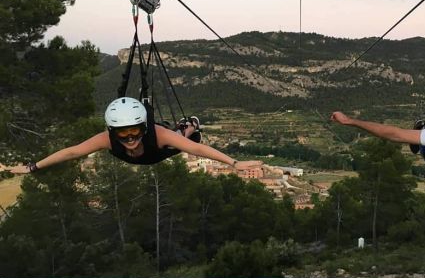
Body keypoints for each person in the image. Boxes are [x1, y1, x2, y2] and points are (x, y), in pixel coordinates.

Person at [1, 97, 262, 174]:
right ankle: (186, 126)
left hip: (157, 153)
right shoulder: (106, 139)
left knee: (181, 138)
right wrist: (33, 167)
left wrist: (234, 163)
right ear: (113, 132)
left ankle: (191, 124)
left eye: (134, 132)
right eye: (122, 133)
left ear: (143, 128)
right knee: (175, 136)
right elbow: (73, 151)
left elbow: (198, 151)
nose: (129, 138)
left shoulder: (155, 134)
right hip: (143, 155)